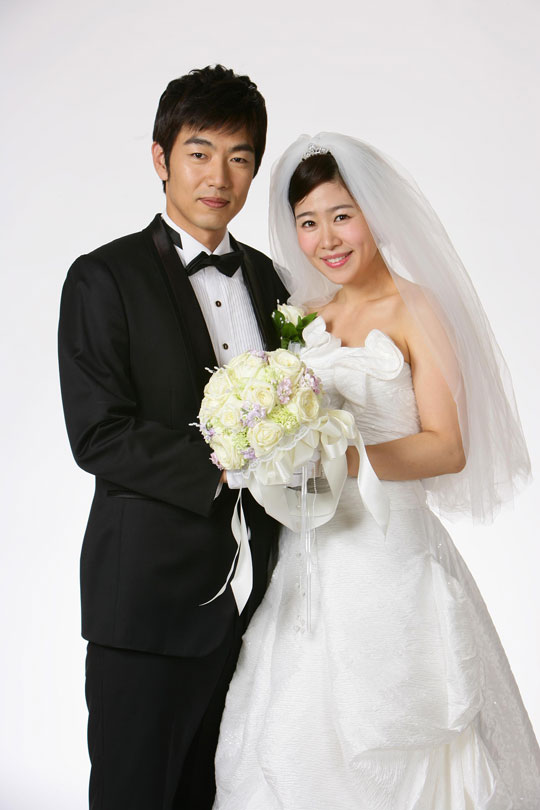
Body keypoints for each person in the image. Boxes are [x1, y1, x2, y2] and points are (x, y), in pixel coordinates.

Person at [213, 134, 540, 808]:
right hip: (309, 560)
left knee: (403, 730)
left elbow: (447, 447)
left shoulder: (417, 308)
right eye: (308, 222)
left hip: (391, 555)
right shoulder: (304, 319)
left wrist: (343, 456)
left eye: (342, 215)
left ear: (374, 213)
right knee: (294, 731)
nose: (326, 239)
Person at [58, 65, 287, 810]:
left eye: (240, 157)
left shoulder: (272, 281)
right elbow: (99, 434)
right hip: (147, 603)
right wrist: (225, 466)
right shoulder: (103, 277)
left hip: (260, 607)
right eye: (199, 152)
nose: (219, 176)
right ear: (161, 158)